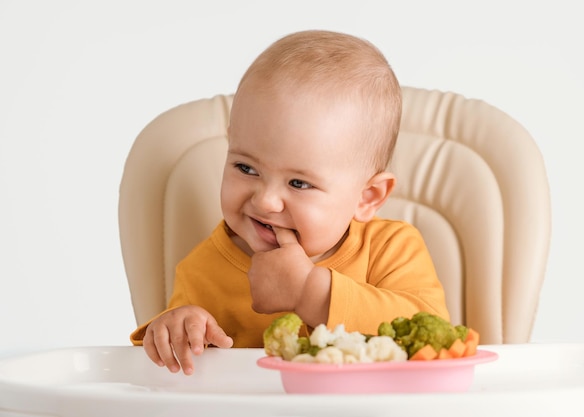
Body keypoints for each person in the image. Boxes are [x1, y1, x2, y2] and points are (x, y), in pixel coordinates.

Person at [130, 29, 449, 375]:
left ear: (367, 197)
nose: (265, 201)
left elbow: (433, 336)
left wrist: (310, 293)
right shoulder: (201, 271)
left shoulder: (390, 250)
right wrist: (177, 328)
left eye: (299, 183)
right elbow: (179, 376)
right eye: (245, 167)